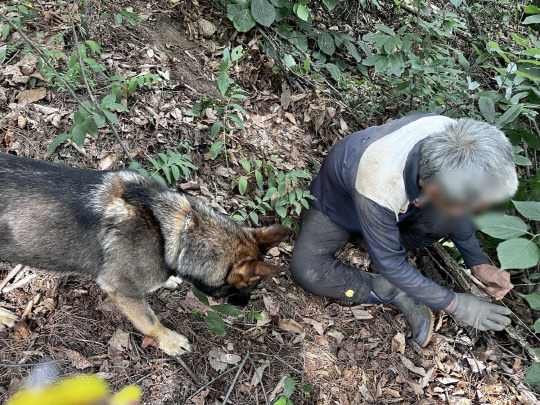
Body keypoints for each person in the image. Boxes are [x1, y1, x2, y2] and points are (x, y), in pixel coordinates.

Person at [290, 114, 516, 347]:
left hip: (405, 206)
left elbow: (460, 208)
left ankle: (384, 250)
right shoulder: (380, 179)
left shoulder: (457, 141)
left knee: (443, 218)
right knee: (307, 270)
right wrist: (454, 304)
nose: (466, 212)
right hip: (342, 208)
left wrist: (478, 263)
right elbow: (390, 262)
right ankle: (391, 290)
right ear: (429, 187)